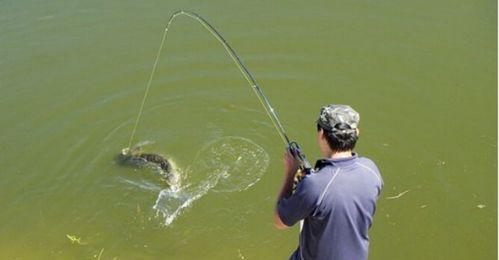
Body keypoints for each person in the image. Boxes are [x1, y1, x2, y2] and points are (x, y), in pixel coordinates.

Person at [274, 104, 383, 260]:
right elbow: (340, 197)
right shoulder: (371, 170)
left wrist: (291, 172)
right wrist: (312, 180)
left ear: (322, 134)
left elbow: (280, 221)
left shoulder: (315, 185)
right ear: (357, 133)